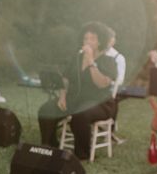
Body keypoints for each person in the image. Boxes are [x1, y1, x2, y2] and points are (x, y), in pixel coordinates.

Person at [38, 21, 118, 159]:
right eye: (86, 38)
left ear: (100, 42)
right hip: (75, 99)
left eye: (92, 38)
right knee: (46, 109)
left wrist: (91, 61)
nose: (88, 41)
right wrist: (62, 96)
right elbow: (66, 79)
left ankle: (81, 154)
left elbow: (101, 84)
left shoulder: (108, 61)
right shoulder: (76, 58)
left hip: (100, 103)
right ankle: (50, 146)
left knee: (80, 115)